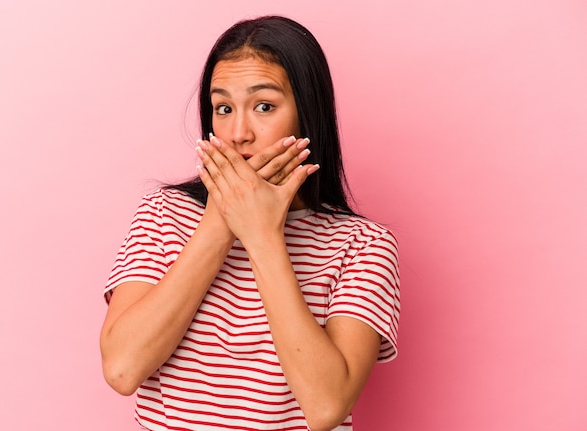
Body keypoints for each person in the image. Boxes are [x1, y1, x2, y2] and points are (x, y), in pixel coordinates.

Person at [100, 15, 400, 431]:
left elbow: (326, 406)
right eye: (223, 108)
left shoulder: (363, 246)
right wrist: (222, 221)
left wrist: (262, 235)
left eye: (264, 106)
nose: (238, 133)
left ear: (307, 115)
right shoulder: (163, 214)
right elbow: (122, 368)